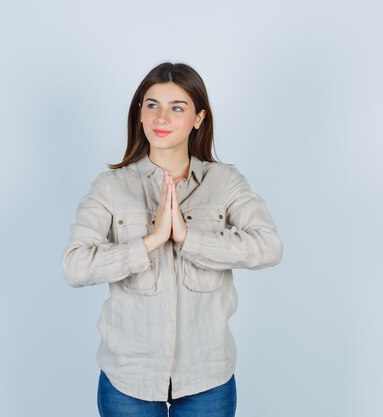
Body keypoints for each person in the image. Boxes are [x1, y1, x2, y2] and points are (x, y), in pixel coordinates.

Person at [62, 62, 283, 417]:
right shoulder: (111, 187)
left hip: (207, 376)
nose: (161, 117)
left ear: (198, 118)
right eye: (152, 105)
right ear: (139, 114)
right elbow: (74, 266)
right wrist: (150, 241)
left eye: (176, 107)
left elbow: (269, 245)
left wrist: (188, 238)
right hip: (128, 378)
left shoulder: (224, 182)